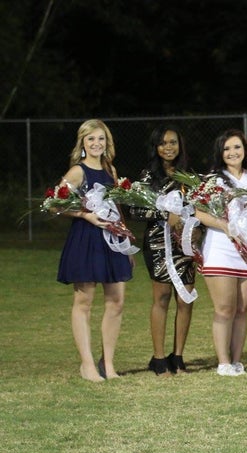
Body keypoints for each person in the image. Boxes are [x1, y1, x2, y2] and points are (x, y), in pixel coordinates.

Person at [55, 119, 133, 382]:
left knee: (116, 301)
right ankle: (87, 365)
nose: (96, 143)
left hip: (113, 239)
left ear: (106, 142)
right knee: (84, 301)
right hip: (86, 239)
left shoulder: (111, 169)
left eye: (101, 138)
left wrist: (127, 243)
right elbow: (53, 204)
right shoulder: (77, 172)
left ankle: (108, 364)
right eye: (91, 139)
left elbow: (117, 208)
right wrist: (83, 215)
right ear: (83, 143)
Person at [130, 125, 196, 376]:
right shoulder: (148, 176)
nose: (168, 147)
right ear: (156, 147)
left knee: (186, 299)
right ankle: (158, 359)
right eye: (163, 143)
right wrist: (164, 213)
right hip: (158, 244)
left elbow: (199, 206)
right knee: (163, 297)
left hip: (185, 243)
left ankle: (177, 357)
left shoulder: (188, 176)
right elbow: (135, 210)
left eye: (173, 142)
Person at [195, 130, 247, 376]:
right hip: (221, 248)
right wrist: (226, 227)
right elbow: (199, 213)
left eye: (237, 147)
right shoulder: (214, 179)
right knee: (224, 309)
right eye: (227, 149)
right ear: (220, 154)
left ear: (245, 149)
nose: (233, 153)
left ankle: (236, 360)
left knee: (243, 309)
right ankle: (223, 363)